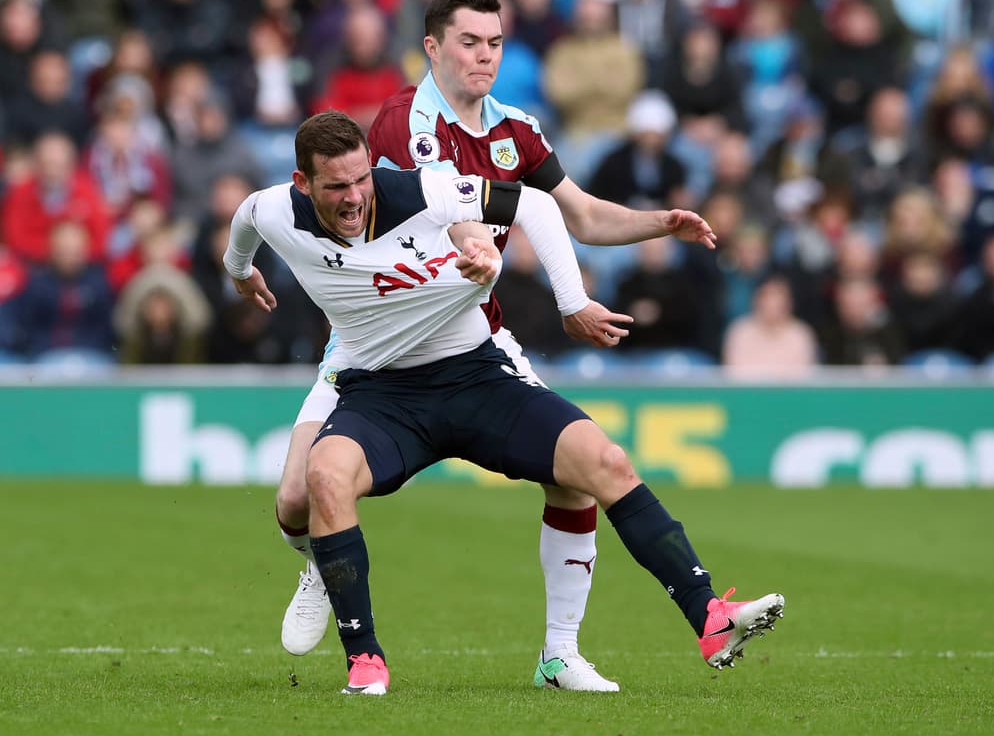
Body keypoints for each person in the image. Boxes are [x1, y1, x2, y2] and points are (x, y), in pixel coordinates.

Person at [225, 111, 785, 695]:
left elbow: (539, 206)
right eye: (335, 186)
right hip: (381, 391)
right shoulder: (275, 209)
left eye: (361, 179)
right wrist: (238, 272)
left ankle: (709, 616)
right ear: (302, 184)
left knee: (605, 463)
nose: (354, 197)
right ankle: (365, 661)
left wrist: (572, 302)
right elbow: (243, 220)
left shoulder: (423, 191)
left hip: (475, 378)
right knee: (320, 479)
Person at [275, 0, 721, 693]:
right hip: (372, 350)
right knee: (297, 498)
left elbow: (579, 215)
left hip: (469, 343)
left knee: (578, 466)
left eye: (495, 42)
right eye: (468, 42)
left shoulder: (516, 129)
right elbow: (436, 216)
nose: (484, 56)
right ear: (433, 47)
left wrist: (658, 222)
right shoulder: (404, 125)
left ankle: (561, 652)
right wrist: (479, 246)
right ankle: (322, 564)